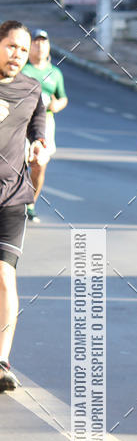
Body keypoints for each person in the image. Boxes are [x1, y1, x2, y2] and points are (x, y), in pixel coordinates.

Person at [0, 21, 47, 392]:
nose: (17, 54)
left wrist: (39, 141)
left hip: (13, 196)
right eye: (10, 46)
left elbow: (38, 118)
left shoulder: (31, 88)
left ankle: (1, 359)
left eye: (22, 48)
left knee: (5, 277)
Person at [21, 29, 68, 222]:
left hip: (45, 123)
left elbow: (63, 97)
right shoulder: (22, 69)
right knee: (18, 163)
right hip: (22, 121)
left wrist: (58, 104)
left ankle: (30, 204)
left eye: (43, 42)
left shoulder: (55, 73)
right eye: (36, 42)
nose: (40, 46)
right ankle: (13, 202)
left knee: (39, 166)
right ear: (29, 46)